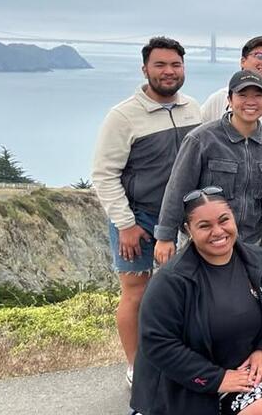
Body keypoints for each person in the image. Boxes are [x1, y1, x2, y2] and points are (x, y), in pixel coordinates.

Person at [91, 36, 202, 386]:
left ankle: (180, 354)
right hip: (138, 216)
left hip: (186, 216)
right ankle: (138, 367)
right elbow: (104, 174)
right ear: (145, 69)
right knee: (136, 292)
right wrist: (125, 224)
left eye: (175, 65)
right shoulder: (123, 116)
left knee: (191, 287)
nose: (169, 72)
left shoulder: (193, 109)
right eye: (160, 65)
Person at [130, 188, 262, 415]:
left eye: (224, 220)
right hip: (186, 383)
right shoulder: (170, 281)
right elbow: (157, 343)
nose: (218, 231)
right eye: (204, 225)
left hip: (245, 374)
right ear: (188, 230)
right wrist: (216, 379)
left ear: (233, 218)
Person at [155, 69, 262, 264]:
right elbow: (176, 189)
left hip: (249, 242)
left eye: (258, 95)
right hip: (202, 241)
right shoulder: (202, 139)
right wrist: (165, 237)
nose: (251, 101)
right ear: (229, 100)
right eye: (242, 95)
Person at [200, 35, 262, 256]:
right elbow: (198, 151)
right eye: (259, 56)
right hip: (222, 211)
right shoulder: (218, 99)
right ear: (242, 61)